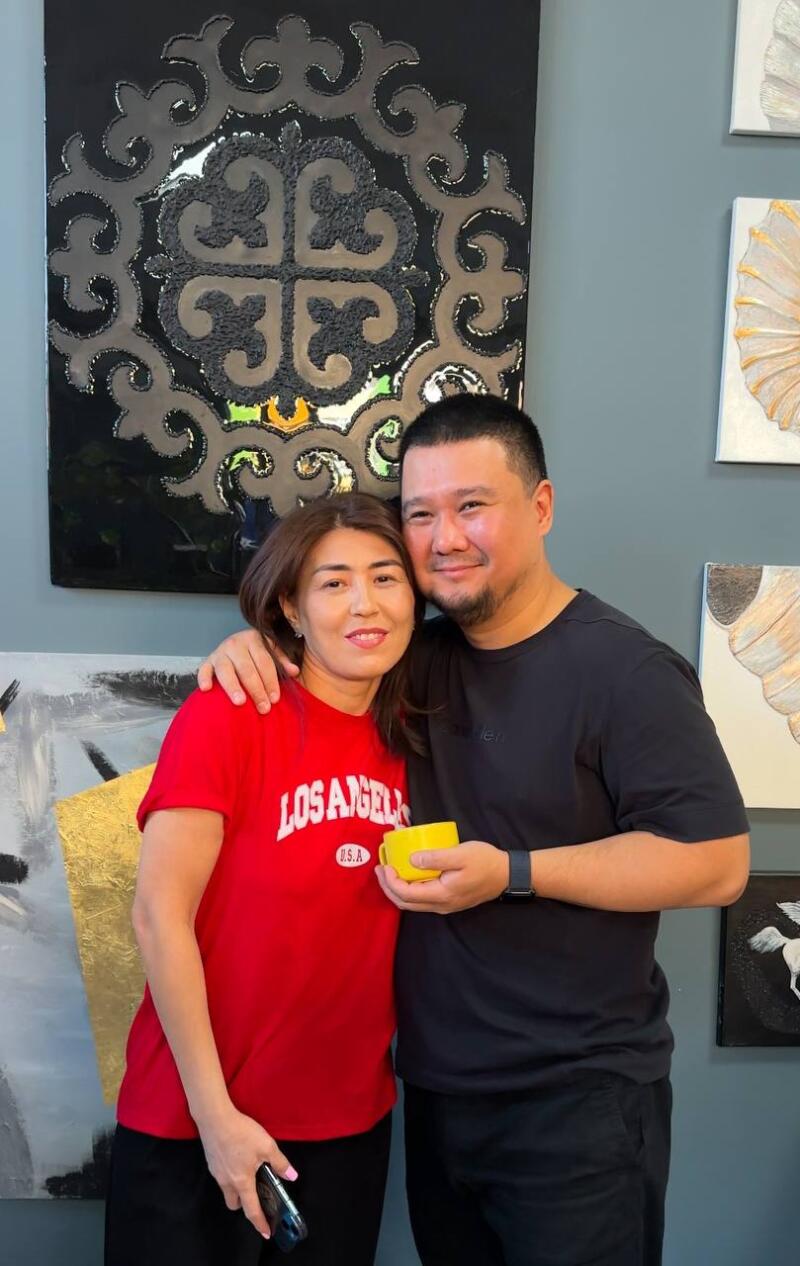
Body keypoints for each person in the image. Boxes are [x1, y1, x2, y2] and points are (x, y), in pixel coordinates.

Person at [200, 394, 751, 1266]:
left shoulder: (627, 671)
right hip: (434, 1093)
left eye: (471, 506)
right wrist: (253, 646)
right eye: (420, 514)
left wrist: (515, 872)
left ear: (539, 508)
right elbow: (317, 652)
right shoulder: (409, 657)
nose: (444, 538)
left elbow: (716, 863)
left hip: (578, 1103)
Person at [105, 493, 421, 1266]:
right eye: (334, 582)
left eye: (386, 578)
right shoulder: (234, 712)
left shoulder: (419, 737)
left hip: (346, 1128)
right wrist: (215, 1119)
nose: (365, 604)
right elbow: (157, 917)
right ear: (291, 603)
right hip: (192, 1124)